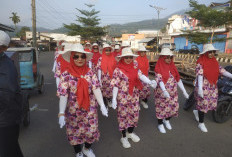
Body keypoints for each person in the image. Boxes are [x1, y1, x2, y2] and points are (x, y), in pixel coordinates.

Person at [57, 43, 108, 157]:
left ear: (85, 58)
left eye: (82, 56)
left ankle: (86, 148)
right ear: (72, 58)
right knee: (74, 132)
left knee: (91, 130)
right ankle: (78, 152)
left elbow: (96, 89)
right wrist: (61, 112)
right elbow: (63, 94)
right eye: (76, 56)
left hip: (90, 109)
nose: (79, 59)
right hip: (73, 110)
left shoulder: (90, 72)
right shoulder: (66, 74)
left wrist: (102, 105)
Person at [110, 47, 157, 148]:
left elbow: (140, 75)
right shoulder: (118, 70)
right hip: (123, 97)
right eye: (126, 57)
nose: (128, 59)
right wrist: (114, 98)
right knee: (123, 117)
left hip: (134, 96)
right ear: (122, 58)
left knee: (134, 115)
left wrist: (149, 82)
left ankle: (130, 133)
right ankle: (123, 137)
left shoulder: (135, 66)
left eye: (130, 57)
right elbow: (115, 85)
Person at [194, 44, 232, 132]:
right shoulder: (201, 62)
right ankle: (201, 123)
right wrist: (200, 88)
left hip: (212, 86)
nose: (211, 54)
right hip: (203, 86)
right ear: (206, 53)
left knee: (208, 103)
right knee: (203, 104)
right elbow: (200, 75)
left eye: (213, 52)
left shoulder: (214, 62)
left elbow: (222, 71)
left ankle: (196, 111)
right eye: (209, 52)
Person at [0, 30, 24, 157]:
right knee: (11, 149)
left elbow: (6, 95)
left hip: (6, 119)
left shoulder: (6, 67)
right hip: (7, 117)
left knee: (6, 150)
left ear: (2, 48)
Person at [154, 48, 189, 134]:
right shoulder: (158, 67)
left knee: (172, 107)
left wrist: (184, 91)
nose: (169, 59)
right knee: (161, 108)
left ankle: (167, 120)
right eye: (167, 57)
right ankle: (160, 124)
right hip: (162, 93)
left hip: (173, 93)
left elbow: (178, 79)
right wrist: (164, 90)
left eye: (170, 57)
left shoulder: (173, 67)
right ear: (162, 58)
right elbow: (160, 80)